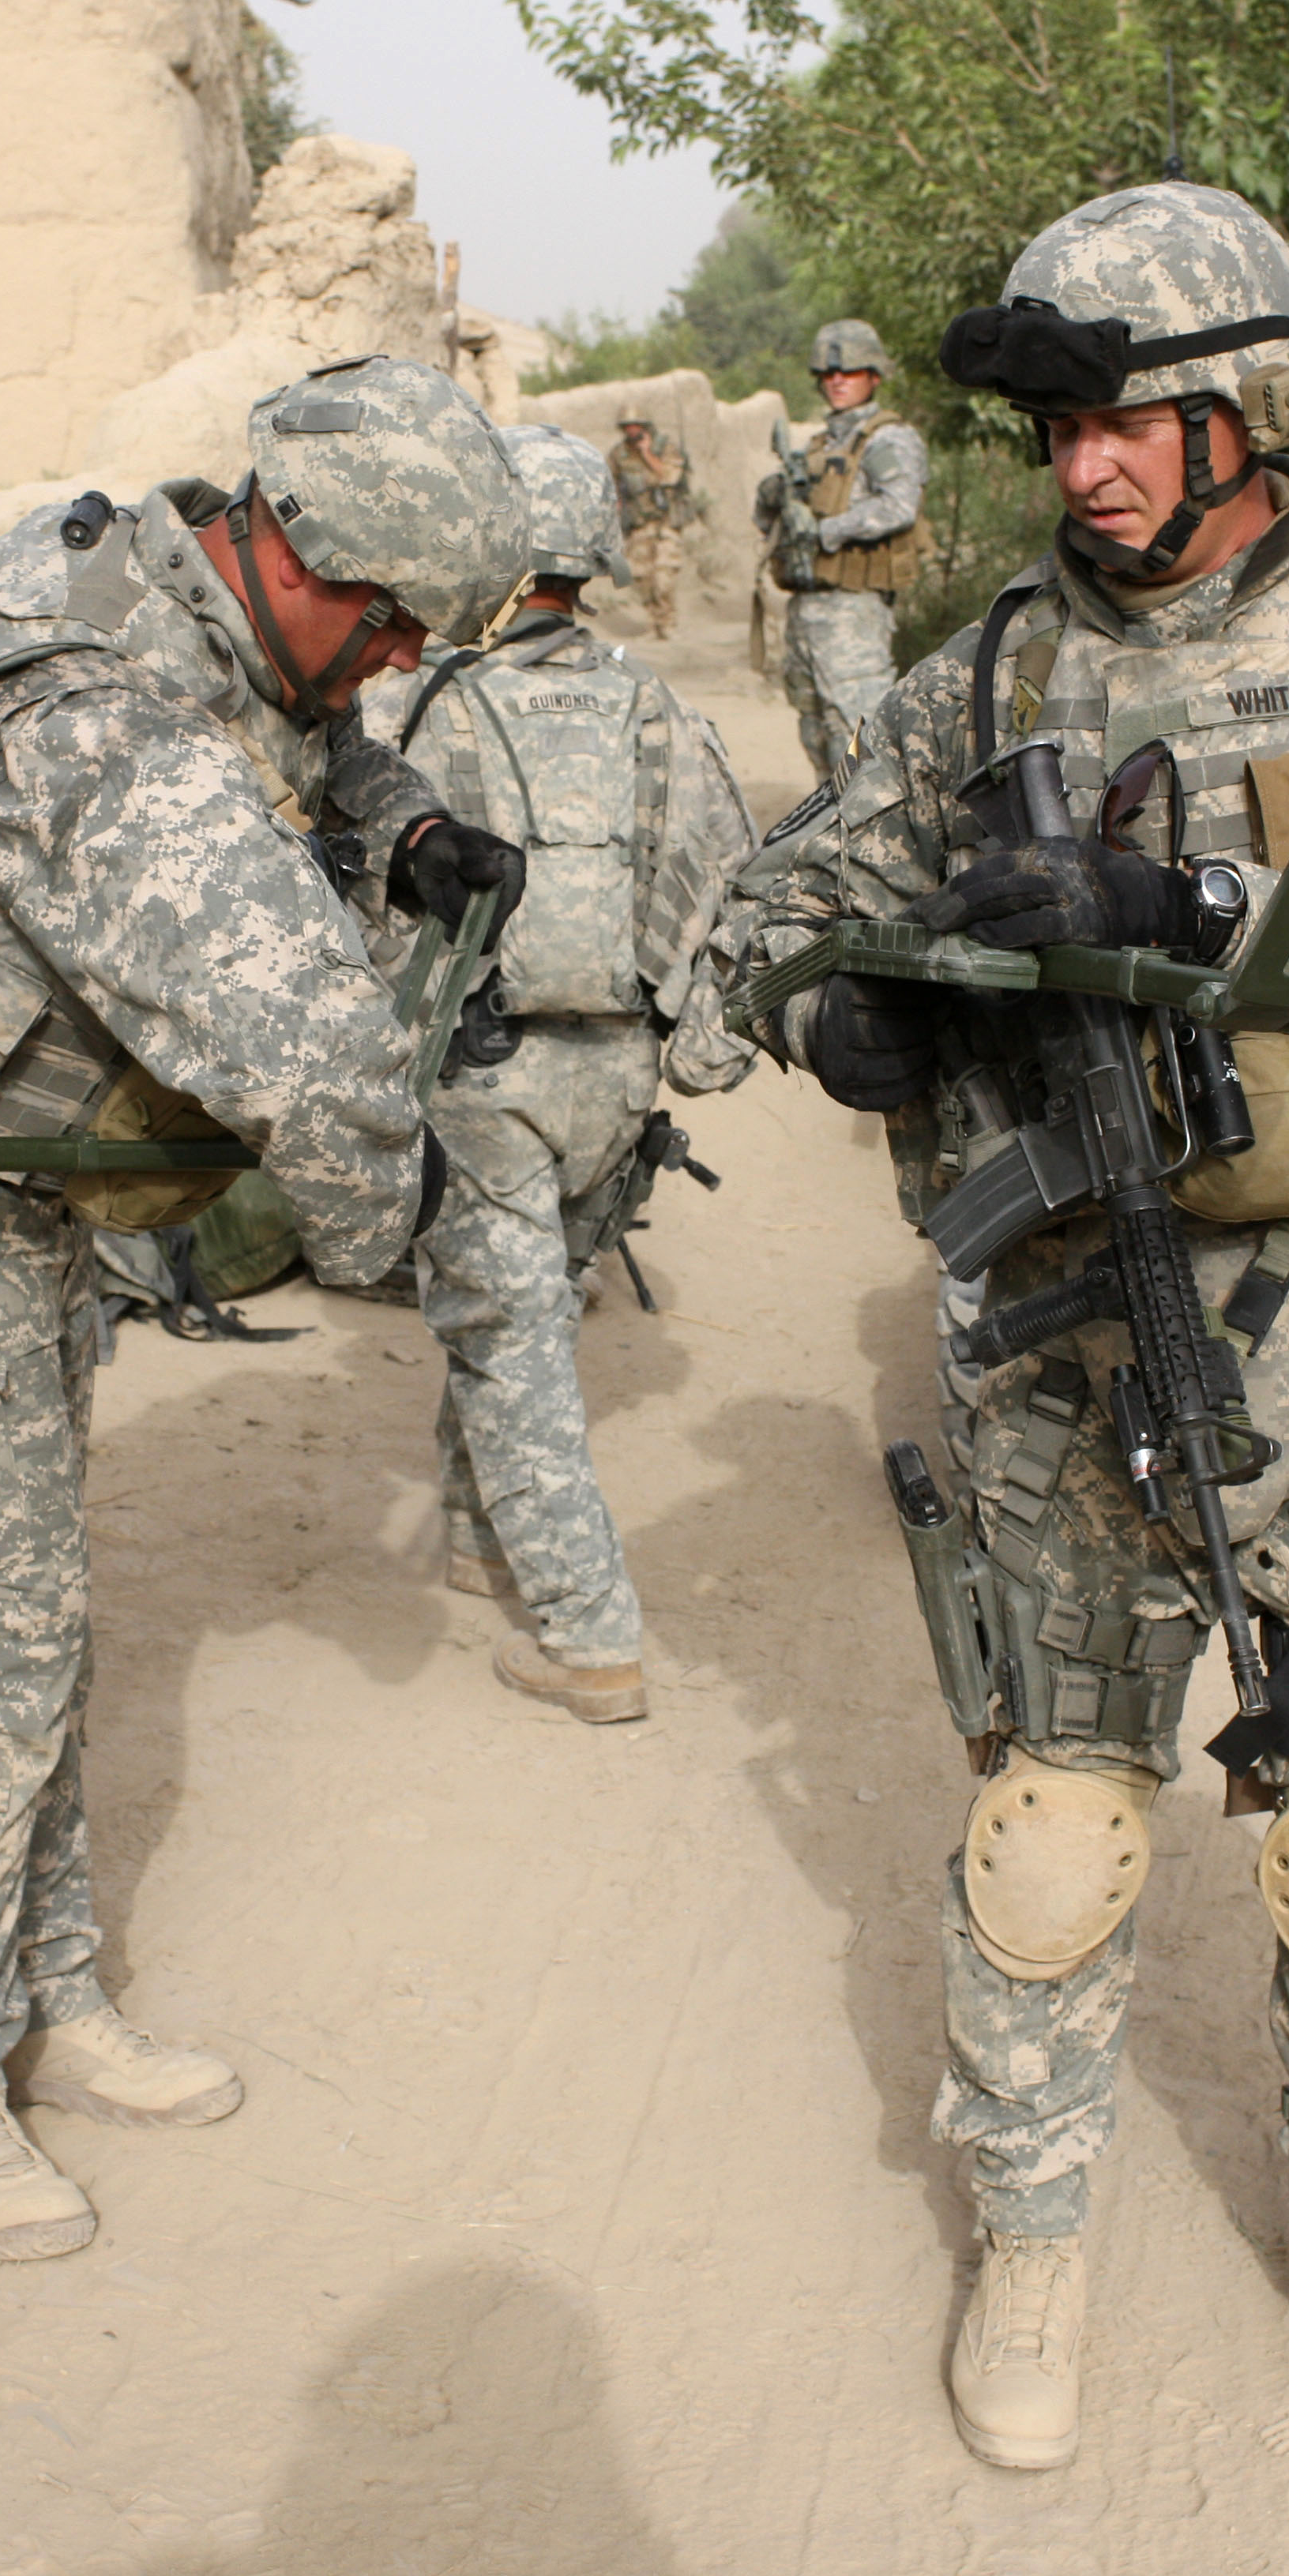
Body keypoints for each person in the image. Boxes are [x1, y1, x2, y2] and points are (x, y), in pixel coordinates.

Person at [725, 184, 1289, 2470]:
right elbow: (781, 896)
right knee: (1057, 1823)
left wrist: (1173, 897)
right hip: (1066, 1333)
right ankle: (1030, 2235)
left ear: (1249, 410)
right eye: (1054, 427)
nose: (1085, 465)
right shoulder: (1000, 662)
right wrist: (851, 1004)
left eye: (1127, 420)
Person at [0, 355, 531, 2265]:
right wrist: (396, 1232)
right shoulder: (81, 706)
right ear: (308, 554)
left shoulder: (184, 584)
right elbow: (312, 1059)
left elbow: (303, 748)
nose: (391, 659)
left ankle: (42, 1998)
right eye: (387, 623)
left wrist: (400, 827)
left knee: (29, 1616)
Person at [364, 422, 760, 1725]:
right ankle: (481, 1536)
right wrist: (691, 1040)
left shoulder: (440, 705)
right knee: (514, 1314)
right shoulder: (658, 704)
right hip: (616, 1081)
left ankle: (592, 1637)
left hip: (492, 1072)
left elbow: (376, 901)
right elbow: (726, 878)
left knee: (512, 1338)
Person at [754, 318, 931, 781]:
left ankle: (864, 835)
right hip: (808, 608)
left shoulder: (886, 438)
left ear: (874, 375)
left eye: (849, 371)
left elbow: (899, 506)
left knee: (858, 737)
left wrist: (825, 530)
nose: (837, 380)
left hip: (853, 610)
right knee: (815, 730)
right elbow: (770, 523)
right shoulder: (820, 445)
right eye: (828, 373)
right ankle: (830, 831)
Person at [607, 408, 695, 640]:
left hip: (666, 523)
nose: (631, 430)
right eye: (627, 426)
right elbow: (610, 482)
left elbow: (669, 476)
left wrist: (647, 453)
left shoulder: (665, 448)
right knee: (642, 577)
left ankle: (668, 623)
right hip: (639, 524)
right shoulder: (619, 454)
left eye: (635, 425)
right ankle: (652, 624)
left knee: (664, 577)